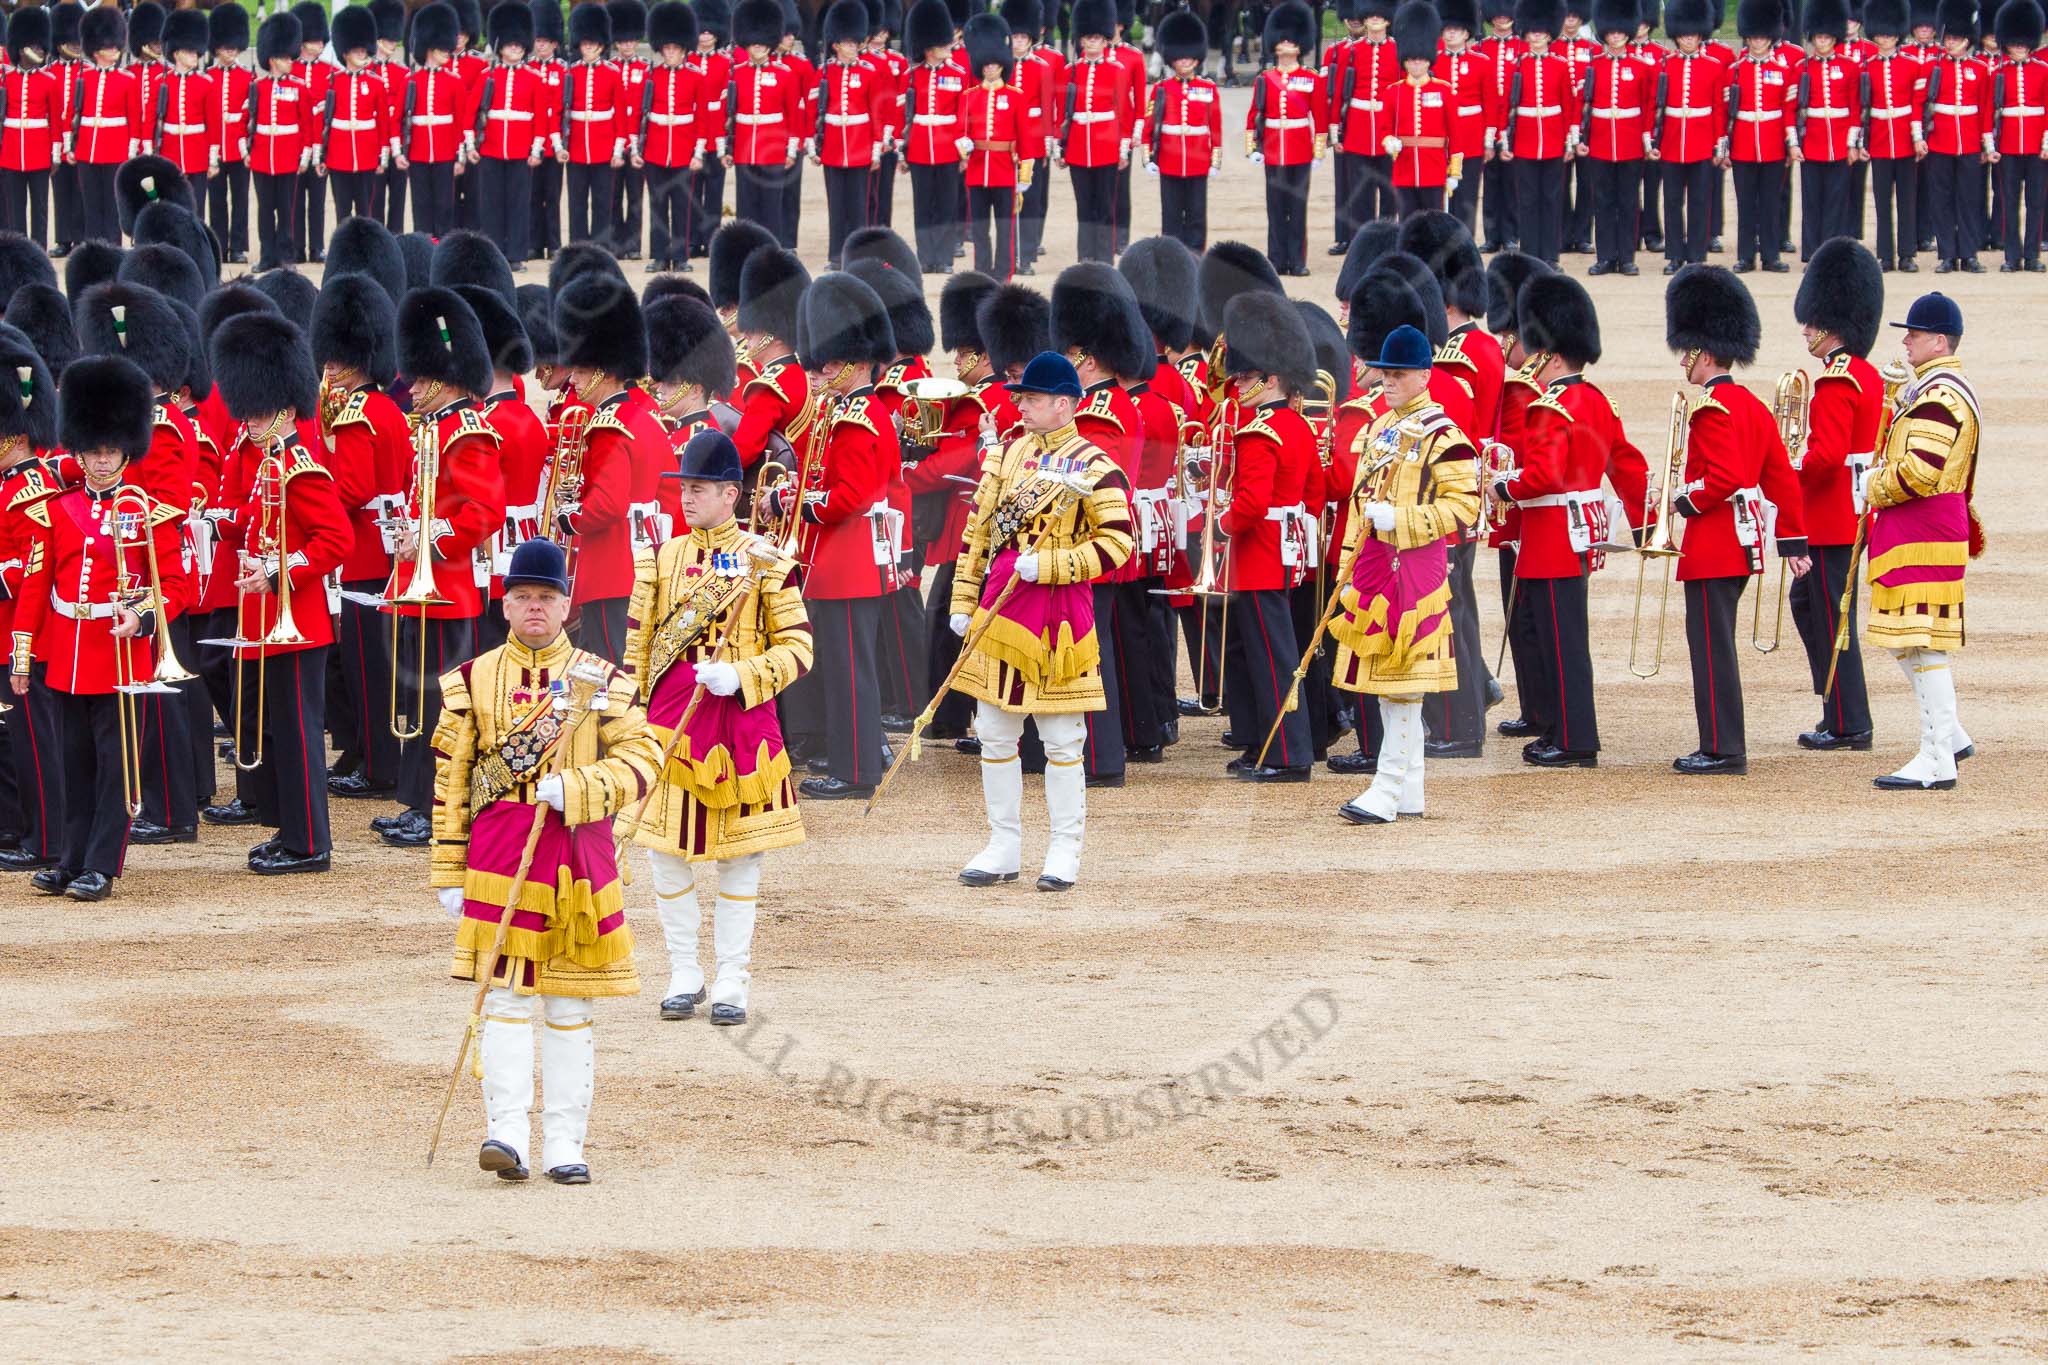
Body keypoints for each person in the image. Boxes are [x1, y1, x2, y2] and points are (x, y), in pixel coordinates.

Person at [434, 536, 662, 1185]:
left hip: (574, 861)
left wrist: (584, 788)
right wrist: (449, 870)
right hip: (498, 860)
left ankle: (565, 1139)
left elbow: (645, 759)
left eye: (548, 597)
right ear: (504, 604)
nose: (535, 607)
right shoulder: (471, 680)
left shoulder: (604, 679)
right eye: (524, 597)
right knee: (503, 999)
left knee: (566, 1005)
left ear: (568, 605)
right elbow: (451, 782)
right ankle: (506, 1129)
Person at [624, 428, 808, 1025]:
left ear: (732, 494)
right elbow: (638, 649)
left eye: (699, 488)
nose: (687, 498)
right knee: (665, 855)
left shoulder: (769, 563)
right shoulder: (660, 559)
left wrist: (745, 674)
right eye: (684, 487)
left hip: (741, 726)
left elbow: (800, 650)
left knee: (740, 858)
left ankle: (733, 977)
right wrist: (630, 719)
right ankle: (684, 969)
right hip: (671, 726)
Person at [949, 350, 1133, 890]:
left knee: (1060, 739)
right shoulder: (1005, 458)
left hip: (1058, 617)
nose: (1021, 407)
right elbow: (977, 535)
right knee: (995, 733)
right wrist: (963, 602)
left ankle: (1064, 847)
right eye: (1021, 399)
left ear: (1063, 404)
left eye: (1031, 399)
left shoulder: (1097, 465)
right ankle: (1004, 843)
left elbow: (1120, 544)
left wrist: (1051, 565)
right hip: (1000, 607)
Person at [12, 355, 187, 902]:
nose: (102, 460)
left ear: (125, 449)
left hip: (120, 653)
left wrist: (142, 617)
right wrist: (23, 656)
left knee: (116, 765)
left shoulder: (147, 511)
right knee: (74, 763)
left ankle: (103, 865)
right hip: (65, 651)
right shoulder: (56, 510)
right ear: (80, 450)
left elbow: (174, 583)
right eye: (93, 450)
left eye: (111, 450)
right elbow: (38, 587)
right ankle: (70, 858)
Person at [208, 312, 349, 875]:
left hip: (299, 620)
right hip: (266, 617)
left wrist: (282, 571)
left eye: (261, 411)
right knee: (279, 733)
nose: (251, 419)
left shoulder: (299, 468)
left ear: (287, 411)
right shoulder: (269, 465)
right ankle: (291, 831)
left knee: (298, 737)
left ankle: (311, 844)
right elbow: (260, 525)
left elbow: (334, 539)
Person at [1325, 323, 1479, 824]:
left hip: (1415, 569)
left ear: (1423, 376)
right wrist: (1350, 565)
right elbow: (1359, 504)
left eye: (1398, 374)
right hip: (1374, 568)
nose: (1386, 381)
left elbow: (1465, 508)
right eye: (1384, 373)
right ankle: (1409, 785)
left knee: (1403, 683)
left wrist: (1406, 521)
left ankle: (1388, 787)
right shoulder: (1379, 428)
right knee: (1385, 682)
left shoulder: (1444, 435)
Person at [1491, 273, 1645, 766]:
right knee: (1566, 640)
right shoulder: (1599, 401)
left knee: (1560, 645)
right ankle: (1564, 729)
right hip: (1578, 535)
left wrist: (1500, 486)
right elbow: (1627, 465)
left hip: (1551, 538)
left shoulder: (1549, 406)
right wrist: (1645, 521)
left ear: (1553, 355)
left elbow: (1543, 476)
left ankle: (1574, 740)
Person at [374, 288, 508, 849]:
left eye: (422, 377)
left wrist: (429, 538)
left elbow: (485, 511)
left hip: (448, 589)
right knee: (417, 700)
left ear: (445, 378)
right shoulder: (429, 428)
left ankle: (440, 809)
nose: (412, 385)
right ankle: (416, 802)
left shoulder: (466, 432)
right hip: (419, 583)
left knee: (442, 706)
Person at [1662, 264, 1808, 775]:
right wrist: (1792, 542)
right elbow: (1782, 478)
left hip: (1713, 547)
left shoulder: (1712, 407)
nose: (1684, 360)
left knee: (1711, 652)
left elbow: (1721, 478)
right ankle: (1723, 742)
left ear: (1703, 353)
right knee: (1714, 648)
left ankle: (1723, 747)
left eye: (1688, 352)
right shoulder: (1751, 404)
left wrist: (1683, 500)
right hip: (1742, 547)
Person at [769, 271, 899, 799]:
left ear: (855, 359)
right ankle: (855, 761)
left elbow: (848, 498)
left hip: (844, 563)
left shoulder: (856, 418)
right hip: (842, 562)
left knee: (850, 672)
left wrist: (793, 502)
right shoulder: (854, 410)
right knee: (848, 668)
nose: (823, 368)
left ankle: (857, 770)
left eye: (831, 360)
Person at [1864, 290, 1980, 790]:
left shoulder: (1938, 396)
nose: (1906, 341)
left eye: (1913, 333)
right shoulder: (1936, 386)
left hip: (1922, 529)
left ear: (1938, 340)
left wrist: (1868, 486)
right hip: (1922, 528)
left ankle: (1937, 757)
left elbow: (1919, 472)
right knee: (1904, 639)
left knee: (1920, 640)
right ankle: (1949, 736)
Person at [312, 269, 410, 802]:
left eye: (333, 361)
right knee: (376, 665)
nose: (327, 370)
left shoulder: (355, 415)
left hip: (362, 552)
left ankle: (378, 766)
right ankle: (373, 757)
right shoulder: (389, 409)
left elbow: (350, 488)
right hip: (385, 545)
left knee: (367, 669)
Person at [1216, 292, 1319, 783]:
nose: (1238, 385)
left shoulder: (1260, 432)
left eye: (1246, 377)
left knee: (1272, 659)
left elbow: (1252, 506)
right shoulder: (1297, 425)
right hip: (1284, 550)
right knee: (1265, 654)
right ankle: (1265, 744)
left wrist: (1221, 522)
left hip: (1258, 555)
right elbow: (1315, 493)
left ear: (1271, 380)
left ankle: (1286, 755)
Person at [1787, 236, 1882, 753]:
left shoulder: (1835, 381)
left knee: (1831, 618)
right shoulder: (1865, 375)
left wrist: (1783, 470)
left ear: (1831, 323)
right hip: (1849, 514)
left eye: (1811, 322)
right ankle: (1837, 710)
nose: (1806, 330)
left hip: (1829, 519)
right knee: (1813, 605)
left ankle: (1848, 722)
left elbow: (1824, 458)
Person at [552, 272, 662, 663]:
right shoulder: (644, 418)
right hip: (644, 566)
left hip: (610, 575)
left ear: (602, 369)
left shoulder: (606, 426)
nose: (575, 381)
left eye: (581, 372)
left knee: (607, 685)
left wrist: (568, 516)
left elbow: (607, 505)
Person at [0, 330, 63, 874]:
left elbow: (32, 571)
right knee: (12, 742)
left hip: (27, 636)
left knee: (35, 745)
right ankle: (20, 827)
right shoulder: (8, 484)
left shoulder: (32, 489)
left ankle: (44, 839)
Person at [1248, 3, 1328, 277]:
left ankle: (1297, 259)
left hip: (1300, 150)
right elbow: (1253, 116)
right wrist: (1252, 148)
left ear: (1299, 46)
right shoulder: (1265, 79)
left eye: (1290, 41)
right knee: (1276, 207)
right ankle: (1277, 258)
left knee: (1297, 207)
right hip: (1272, 150)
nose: (1285, 46)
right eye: (1281, 41)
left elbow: (1320, 118)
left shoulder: (1311, 79)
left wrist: (1318, 151)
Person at [1720, 0, 1796, 273]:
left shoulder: (1783, 71)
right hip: (1742, 146)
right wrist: (1724, 148)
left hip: (1773, 146)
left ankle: (1771, 255)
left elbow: (1788, 112)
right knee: (1745, 205)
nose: (1758, 42)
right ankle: (1745, 255)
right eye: (1753, 36)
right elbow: (1725, 114)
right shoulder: (1735, 71)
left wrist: (1790, 144)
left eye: (1763, 36)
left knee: (1771, 203)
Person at [1500, 0, 1578, 267]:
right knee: (1529, 200)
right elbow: (1507, 107)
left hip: (1554, 140)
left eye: (1541, 32)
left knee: (1552, 199)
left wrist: (1570, 140)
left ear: (1548, 34)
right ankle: (1530, 253)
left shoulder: (1559, 64)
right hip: (1524, 140)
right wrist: (1504, 140)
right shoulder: (1517, 65)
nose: (1536, 36)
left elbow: (1569, 105)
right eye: (1532, 32)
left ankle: (1551, 254)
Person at [468, 4, 544, 271]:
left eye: (519, 45)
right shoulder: (487, 76)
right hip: (490, 147)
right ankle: (494, 252)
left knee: (519, 203)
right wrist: (469, 144)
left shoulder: (534, 78)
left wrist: (536, 149)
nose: (515, 49)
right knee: (490, 203)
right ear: (500, 47)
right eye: (510, 45)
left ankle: (516, 254)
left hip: (521, 149)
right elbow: (471, 112)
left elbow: (539, 118)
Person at [1579, 0, 1651, 276]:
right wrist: (1582, 137)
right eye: (1611, 32)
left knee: (1629, 201)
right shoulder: (1594, 65)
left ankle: (1627, 257)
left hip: (1630, 142)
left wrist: (1646, 140)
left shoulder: (1642, 66)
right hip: (1600, 142)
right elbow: (1584, 105)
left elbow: (1647, 106)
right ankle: (1606, 256)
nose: (1616, 36)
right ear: (1605, 33)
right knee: (1603, 202)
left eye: (1621, 32)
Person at [721, 0, 802, 245]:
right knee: (746, 206)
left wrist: (791, 149)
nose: (757, 47)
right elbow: (727, 115)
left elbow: (794, 115)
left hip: (774, 148)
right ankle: (748, 250)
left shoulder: (783, 75)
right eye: (753, 42)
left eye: (762, 42)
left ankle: (772, 249)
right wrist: (727, 148)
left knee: (771, 207)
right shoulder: (736, 73)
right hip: (745, 147)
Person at [1921, 0, 1992, 272]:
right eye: (1948, 38)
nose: (1950, 43)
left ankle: (1969, 253)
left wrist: (1987, 143)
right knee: (1941, 199)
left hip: (1971, 142)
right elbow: (1923, 104)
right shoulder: (1933, 67)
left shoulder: (1980, 69)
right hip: (1940, 140)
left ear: (1967, 40)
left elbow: (1985, 109)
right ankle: (1947, 254)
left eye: (1956, 38)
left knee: (1970, 199)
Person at [1143, 9, 1220, 254]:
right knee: (1171, 214)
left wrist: (1215, 159)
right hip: (1169, 159)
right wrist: (1148, 157)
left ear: (1197, 58)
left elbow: (1215, 127)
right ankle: (1172, 256)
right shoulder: (1161, 89)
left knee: (1197, 214)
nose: (1184, 61)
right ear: (1171, 58)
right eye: (1179, 57)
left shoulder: (1208, 89)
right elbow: (1149, 125)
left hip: (1198, 160)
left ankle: (1196, 255)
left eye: (1189, 57)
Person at [1860, 0, 1929, 273]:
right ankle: (1885, 255)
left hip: (1904, 140)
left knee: (1907, 200)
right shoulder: (1867, 66)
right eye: (1881, 34)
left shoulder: (1913, 65)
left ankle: (1907, 253)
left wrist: (1916, 137)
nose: (1885, 39)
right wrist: (1861, 142)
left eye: (1889, 34)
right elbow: (1862, 109)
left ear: (1898, 34)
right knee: (1881, 201)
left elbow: (1917, 105)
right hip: (1879, 141)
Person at [901, 0, 967, 271]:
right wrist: (902, 151)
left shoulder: (958, 74)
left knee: (946, 207)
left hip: (948, 149)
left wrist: (963, 152)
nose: (946, 50)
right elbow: (902, 117)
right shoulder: (911, 76)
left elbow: (964, 117)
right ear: (927, 49)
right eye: (941, 46)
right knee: (923, 207)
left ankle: (944, 258)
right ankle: (926, 257)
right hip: (918, 148)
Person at [960, 13, 1026, 279]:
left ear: (1002, 65)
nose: (989, 69)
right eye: (985, 66)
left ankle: (1003, 272)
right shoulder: (969, 97)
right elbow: (960, 130)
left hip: (1004, 170)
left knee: (1004, 227)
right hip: (977, 170)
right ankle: (982, 271)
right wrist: (961, 145)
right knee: (979, 228)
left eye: (994, 65)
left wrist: (1024, 175)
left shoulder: (1015, 97)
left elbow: (1026, 140)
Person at [69, 6, 140, 247]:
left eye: (116, 45)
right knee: (91, 204)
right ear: (97, 49)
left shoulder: (127, 80)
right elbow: (73, 114)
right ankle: (92, 249)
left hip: (116, 148)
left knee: (112, 206)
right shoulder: (84, 78)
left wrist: (131, 151)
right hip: (87, 147)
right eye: (111, 46)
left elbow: (135, 119)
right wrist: (71, 146)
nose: (116, 50)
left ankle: (113, 248)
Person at [1332, 0, 1400, 249]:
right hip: (1358, 130)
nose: (1374, 19)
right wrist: (1335, 130)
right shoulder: (1350, 51)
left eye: (1379, 16)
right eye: (1370, 16)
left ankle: (1387, 243)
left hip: (1388, 131)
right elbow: (1339, 92)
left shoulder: (1398, 49)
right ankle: (1362, 245)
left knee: (1390, 194)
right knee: (1360, 196)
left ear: (1388, 20)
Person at [1384, 1, 1462, 219]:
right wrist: (1388, 140)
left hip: (1435, 170)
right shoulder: (1393, 92)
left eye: (1421, 60)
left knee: (1434, 226)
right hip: (1404, 171)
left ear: (1429, 61)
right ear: (1405, 61)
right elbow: (1385, 128)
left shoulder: (1444, 91)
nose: (1416, 64)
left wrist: (1454, 171)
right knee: (1407, 225)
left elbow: (1455, 135)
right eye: (1411, 60)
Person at [1797, 0, 1862, 260]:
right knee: (1811, 203)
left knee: (1837, 203)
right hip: (1811, 142)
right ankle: (1812, 254)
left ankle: (1832, 254)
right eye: (1818, 37)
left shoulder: (1849, 66)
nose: (1822, 41)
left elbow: (1855, 109)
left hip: (1838, 142)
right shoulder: (1803, 67)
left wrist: (1851, 145)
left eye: (1826, 37)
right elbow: (1795, 107)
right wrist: (1795, 143)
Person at [561, 2, 626, 247]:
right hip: (577, 146)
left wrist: (618, 149)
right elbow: (562, 111)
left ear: (601, 46)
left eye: (592, 44)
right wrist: (560, 145)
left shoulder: (612, 73)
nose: (588, 48)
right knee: (576, 201)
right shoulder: (572, 73)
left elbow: (620, 114)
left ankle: (601, 246)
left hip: (603, 146)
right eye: (585, 44)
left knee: (602, 201)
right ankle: (578, 246)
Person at [1992, 0, 2048, 271]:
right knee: (2009, 202)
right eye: (2014, 44)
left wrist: (2046, 141)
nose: (2018, 48)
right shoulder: (1998, 73)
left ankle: (2033, 255)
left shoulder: (2043, 70)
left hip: (2037, 146)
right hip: (2009, 146)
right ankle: (2011, 256)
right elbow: (1991, 112)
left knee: (2035, 202)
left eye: (2023, 44)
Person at [0, 7, 60, 245]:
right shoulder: (6, 79)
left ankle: (38, 250)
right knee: (15, 209)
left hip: (39, 151)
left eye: (40, 46)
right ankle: (18, 251)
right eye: (33, 46)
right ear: (20, 48)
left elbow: (55, 119)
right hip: (12, 151)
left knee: (40, 208)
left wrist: (55, 153)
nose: (39, 51)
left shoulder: (49, 81)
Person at [1435, 0, 1495, 237]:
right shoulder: (1434, 61)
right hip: (1442, 138)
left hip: (1471, 138)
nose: (1451, 33)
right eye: (1448, 29)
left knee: (1467, 196)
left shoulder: (1481, 63)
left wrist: (1488, 141)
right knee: (1441, 196)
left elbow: (1490, 104)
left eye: (1456, 29)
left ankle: (1465, 244)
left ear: (1467, 33)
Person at [1006, 0, 1057, 271]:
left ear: (1030, 39)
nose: (1018, 42)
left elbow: (1048, 107)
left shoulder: (1041, 67)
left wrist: (1048, 143)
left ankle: (1025, 255)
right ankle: (1010, 253)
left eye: (1023, 37)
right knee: (1007, 201)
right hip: (1005, 142)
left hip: (1034, 143)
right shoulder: (1000, 66)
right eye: (1014, 37)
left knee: (1031, 200)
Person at [205, 4, 253, 262]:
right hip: (215, 148)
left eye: (233, 46)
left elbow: (251, 115)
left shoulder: (247, 77)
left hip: (239, 147)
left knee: (241, 201)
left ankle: (238, 246)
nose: (229, 50)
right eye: (225, 46)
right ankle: (219, 244)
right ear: (216, 48)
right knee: (216, 200)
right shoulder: (208, 77)